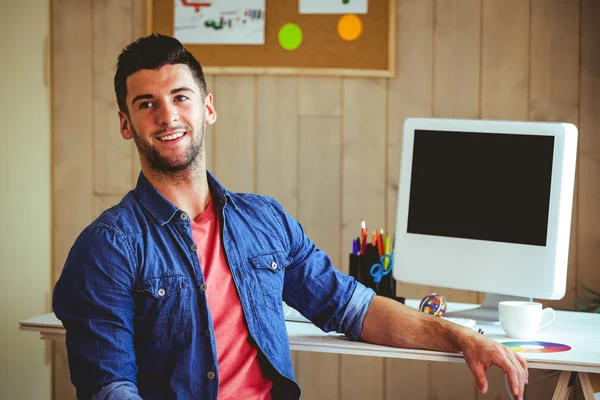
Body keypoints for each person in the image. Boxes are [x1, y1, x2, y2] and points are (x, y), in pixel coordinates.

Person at [52, 33, 528, 400]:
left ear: (208, 108)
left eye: (180, 97)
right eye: (146, 104)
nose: (167, 116)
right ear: (125, 123)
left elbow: (354, 307)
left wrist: (460, 336)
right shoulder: (108, 246)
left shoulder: (264, 222)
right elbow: (109, 387)